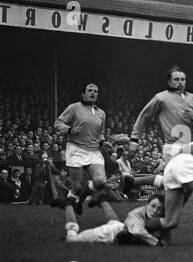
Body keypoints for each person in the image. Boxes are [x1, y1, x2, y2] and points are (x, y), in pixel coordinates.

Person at [129, 66, 193, 222]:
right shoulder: (161, 98)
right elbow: (144, 116)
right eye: (176, 79)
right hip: (173, 148)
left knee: (178, 189)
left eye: (183, 79)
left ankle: (151, 218)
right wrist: (134, 139)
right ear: (169, 81)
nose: (180, 83)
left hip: (191, 147)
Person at [54, 82, 112, 215]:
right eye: (90, 90)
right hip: (76, 149)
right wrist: (69, 130)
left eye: (95, 91)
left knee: (100, 181)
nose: (93, 93)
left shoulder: (101, 113)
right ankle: (71, 209)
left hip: (94, 150)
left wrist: (103, 142)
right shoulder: (74, 107)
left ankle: (80, 200)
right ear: (83, 94)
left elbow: (100, 132)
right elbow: (58, 123)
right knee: (77, 187)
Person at [53, 192, 167, 246]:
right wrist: (157, 243)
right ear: (147, 204)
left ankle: (102, 200)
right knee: (71, 239)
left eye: (159, 209)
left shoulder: (157, 217)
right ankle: (68, 204)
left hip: (120, 228)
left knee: (114, 222)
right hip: (105, 234)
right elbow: (137, 232)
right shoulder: (136, 214)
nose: (155, 210)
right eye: (153, 206)